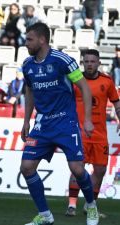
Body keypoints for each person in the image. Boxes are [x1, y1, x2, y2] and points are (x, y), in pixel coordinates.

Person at [20, 22, 99, 225]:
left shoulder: (62, 61)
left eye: (29, 39)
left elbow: (84, 87)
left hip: (65, 121)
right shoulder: (28, 65)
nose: (26, 43)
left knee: (78, 169)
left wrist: (87, 119)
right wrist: (26, 121)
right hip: (42, 124)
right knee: (27, 167)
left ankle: (91, 206)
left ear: (42, 40)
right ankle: (45, 216)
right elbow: (30, 91)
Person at [65, 49, 120, 217]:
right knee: (77, 168)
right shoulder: (74, 81)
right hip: (79, 132)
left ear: (98, 63)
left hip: (100, 134)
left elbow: (116, 103)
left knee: (100, 170)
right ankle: (72, 205)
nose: (89, 64)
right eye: (86, 61)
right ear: (83, 63)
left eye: (92, 61)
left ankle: (90, 205)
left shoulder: (107, 81)